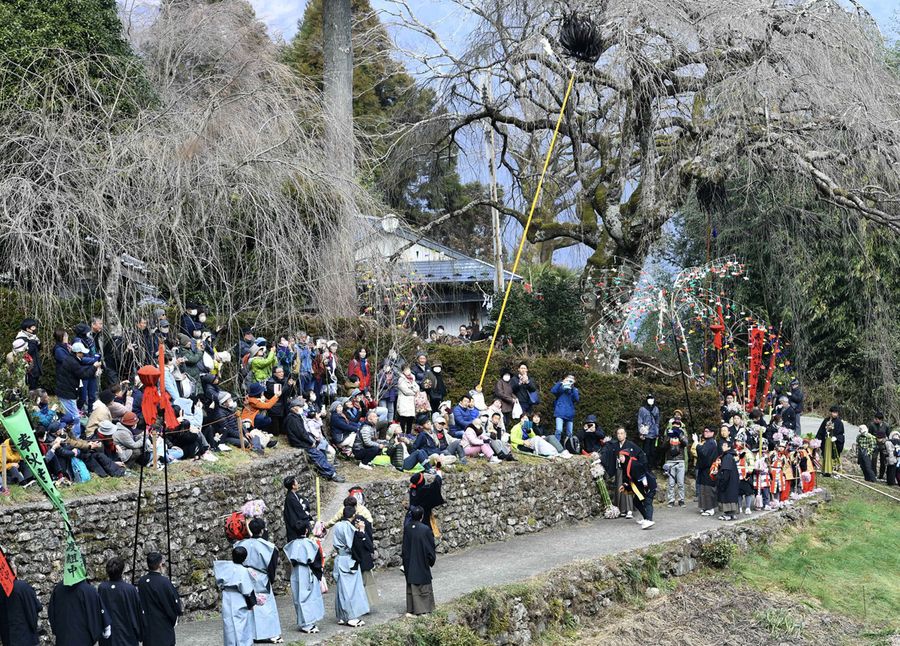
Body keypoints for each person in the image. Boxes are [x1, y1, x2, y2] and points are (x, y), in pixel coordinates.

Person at [235, 519, 283, 643]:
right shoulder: (269, 547)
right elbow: (271, 568)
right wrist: (270, 580)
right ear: (262, 530)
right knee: (265, 605)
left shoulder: (240, 544)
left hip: (245, 576)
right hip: (261, 577)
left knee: (249, 605)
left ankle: (250, 634)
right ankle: (269, 633)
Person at [284, 399, 344, 482]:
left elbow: (303, 432)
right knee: (318, 456)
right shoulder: (292, 418)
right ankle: (331, 474)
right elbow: (301, 433)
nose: (302, 408)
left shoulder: (295, 417)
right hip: (300, 443)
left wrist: (312, 439)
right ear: (294, 408)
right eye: (300, 406)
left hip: (303, 441)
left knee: (322, 453)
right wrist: (311, 442)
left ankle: (331, 471)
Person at [332, 507, 370, 628]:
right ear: (353, 516)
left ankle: (342, 616)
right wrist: (361, 531)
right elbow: (354, 544)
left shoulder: (337, 526)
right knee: (351, 590)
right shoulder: (349, 527)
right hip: (348, 559)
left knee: (341, 590)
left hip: (339, 558)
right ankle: (351, 617)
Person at [283, 525, 325, 635]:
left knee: (298, 596)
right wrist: (319, 574)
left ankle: (303, 622)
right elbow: (316, 560)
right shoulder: (310, 543)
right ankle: (307, 623)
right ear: (306, 530)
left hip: (296, 571)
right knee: (307, 597)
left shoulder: (291, 544)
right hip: (307, 570)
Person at [56, 338, 99, 438]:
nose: (83, 354)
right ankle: (76, 437)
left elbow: (81, 370)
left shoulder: (71, 359)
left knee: (71, 415)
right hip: (67, 393)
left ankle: (68, 433)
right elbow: (83, 374)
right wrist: (94, 367)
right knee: (75, 417)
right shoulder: (73, 362)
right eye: (82, 353)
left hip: (66, 391)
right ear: (78, 353)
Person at [214, 546, 258, 646]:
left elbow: (218, 580)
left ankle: (230, 643)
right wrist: (251, 603)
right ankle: (242, 643)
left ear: (232, 555)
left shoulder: (224, 566)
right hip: (239, 597)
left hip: (227, 595)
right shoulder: (244, 571)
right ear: (245, 558)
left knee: (228, 623)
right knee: (241, 623)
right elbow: (247, 590)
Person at [137, 552, 182, 646]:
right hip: (163, 626)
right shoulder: (165, 582)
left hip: (148, 626)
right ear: (160, 564)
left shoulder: (142, 581)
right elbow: (174, 603)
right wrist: (175, 615)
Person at [48, 576, 110, 646]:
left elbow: (51, 613)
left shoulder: (58, 588)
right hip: (83, 640)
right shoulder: (89, 590)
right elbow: (96, 615)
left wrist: (58, 631)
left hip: (63, 639)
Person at [97, 556, 143, 646]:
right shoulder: (130, 589)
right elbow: (138, 613)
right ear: (122, 570)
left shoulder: (102, 588)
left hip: (108, 637)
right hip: (127, 636)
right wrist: (140, 633)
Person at [401, 505, 437, 617]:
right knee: (422, 584)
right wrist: (431, 560)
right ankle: (422, 609)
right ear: (422, 516)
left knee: (411, 583)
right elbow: (430, 548)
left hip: (409, 560)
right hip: (421, 560)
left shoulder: (407, 528)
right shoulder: (425, 529)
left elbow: (404, 546)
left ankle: (411, 609)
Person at [0, 559, 42, 646]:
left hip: (7, 639)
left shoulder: (2, 591)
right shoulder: (22, 587)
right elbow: (34, 608)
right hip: (25, 638)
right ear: (12, 570)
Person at [618, 447, 656, 529]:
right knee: (636, 501)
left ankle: (649, 520)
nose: (620, 458)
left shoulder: (635, 465)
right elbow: (627, 478)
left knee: (647, 501)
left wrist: (646, 489)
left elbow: (643, 478)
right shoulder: (625, 465)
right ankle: (646, 518)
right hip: (641, 485)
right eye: (619, 456)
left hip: (649, 484)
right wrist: (624, 485)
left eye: (621, 456)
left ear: (626, 457)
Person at [663, 419, 687, 507]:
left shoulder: (682, 434)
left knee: (681, 482)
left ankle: (681, 500)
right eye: (674, 425)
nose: (676, 426)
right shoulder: (668, 434)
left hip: (680, 460)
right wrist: (668, 437)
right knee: (671, 483)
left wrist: (679, 435)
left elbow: (686, 443)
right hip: (670, 460)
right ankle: (671, 500)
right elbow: (663, 447)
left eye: (677, 425)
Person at [695, 427, 719, 516]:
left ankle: (710, 508)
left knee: (708, 488)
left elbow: (704, 453)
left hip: (708, 468)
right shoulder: (708, 442)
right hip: (704, 468)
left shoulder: (711, 443)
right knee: (703, 488)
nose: (705, 433)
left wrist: (697, 444)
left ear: (712, 433)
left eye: (707, 431)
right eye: (704, 431)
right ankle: (704, 507)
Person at [816, 405, 845, 476]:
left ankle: (834, 471)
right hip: (826, 441)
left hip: (834, 443)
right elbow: (821, 431)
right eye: (833, 412)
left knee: (833, 456)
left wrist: (837, 438)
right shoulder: (826, 420)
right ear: (830, 412)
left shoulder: (839, 422)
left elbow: (841, 434)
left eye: (836, 413)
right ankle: (825, 471)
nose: (835, 414)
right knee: (826, 455)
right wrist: (818, 440)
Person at [283, 475, 314, 542]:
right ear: (293, 486)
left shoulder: (293, 495)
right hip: (296, 530)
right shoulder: (291, 498)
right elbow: (299, 513)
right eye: (296, 482)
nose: (298, 483)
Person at [550, 375, 579, 443]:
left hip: (570, 414)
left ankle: (568, 448)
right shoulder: (560, 388)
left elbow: (577, 399)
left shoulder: (574, 390)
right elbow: (553, 391)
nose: (570, 381)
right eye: (568, 379)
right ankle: (557, 447)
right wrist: (561, 382)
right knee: (559, 430)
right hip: (560, 412)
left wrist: (573, 387)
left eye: (572, 380)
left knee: (569, 433)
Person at [716, 440, 740, 521]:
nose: (722, 447)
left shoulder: (727, 457)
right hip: (733, 481)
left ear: (729, 447)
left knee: (727, 497)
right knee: (731, 496)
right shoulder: (730, 456)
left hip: (728, 481)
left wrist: (722, 480)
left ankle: (728, 514)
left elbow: (726, 471)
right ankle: (732, 514)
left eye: (724, 445)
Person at [637, 393, 660, 469]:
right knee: (645, 451)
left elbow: (657, 422)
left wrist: (657, 433)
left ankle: (651, 466)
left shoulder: (656, 409)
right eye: (649, 398)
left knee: (653, 451)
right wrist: (641, 433)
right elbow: (639, 421)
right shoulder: (642, 409)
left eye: (652, 398)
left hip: (654, 434)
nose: (650, 400)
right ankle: (645, 466)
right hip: (646, 434)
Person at [396, 365, 420, 436]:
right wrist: (414, 393)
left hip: (411, 401)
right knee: (403, 417)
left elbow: (417, 387)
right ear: (403, 371)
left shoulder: (412, 378)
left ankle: (409, 433)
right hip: (404, 401)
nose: (408, 371)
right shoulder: (401, 379)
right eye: (406, 370)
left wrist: (414, 391)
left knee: (411, 417)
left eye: (408, 369)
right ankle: (402, 433)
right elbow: (405, 391)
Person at [870, 411, 891, 481]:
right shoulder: (872, 425)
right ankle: (874, 474)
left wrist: (884, 439)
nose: (875, 420)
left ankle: (881, 475)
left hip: (883, 445)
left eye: (876, 419)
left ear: (880, 420)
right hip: (875, 445)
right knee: (873, 460)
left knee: (883, 461)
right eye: (875, 419)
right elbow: (869, 435)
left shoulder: (886, 426)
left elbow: (888, 435)